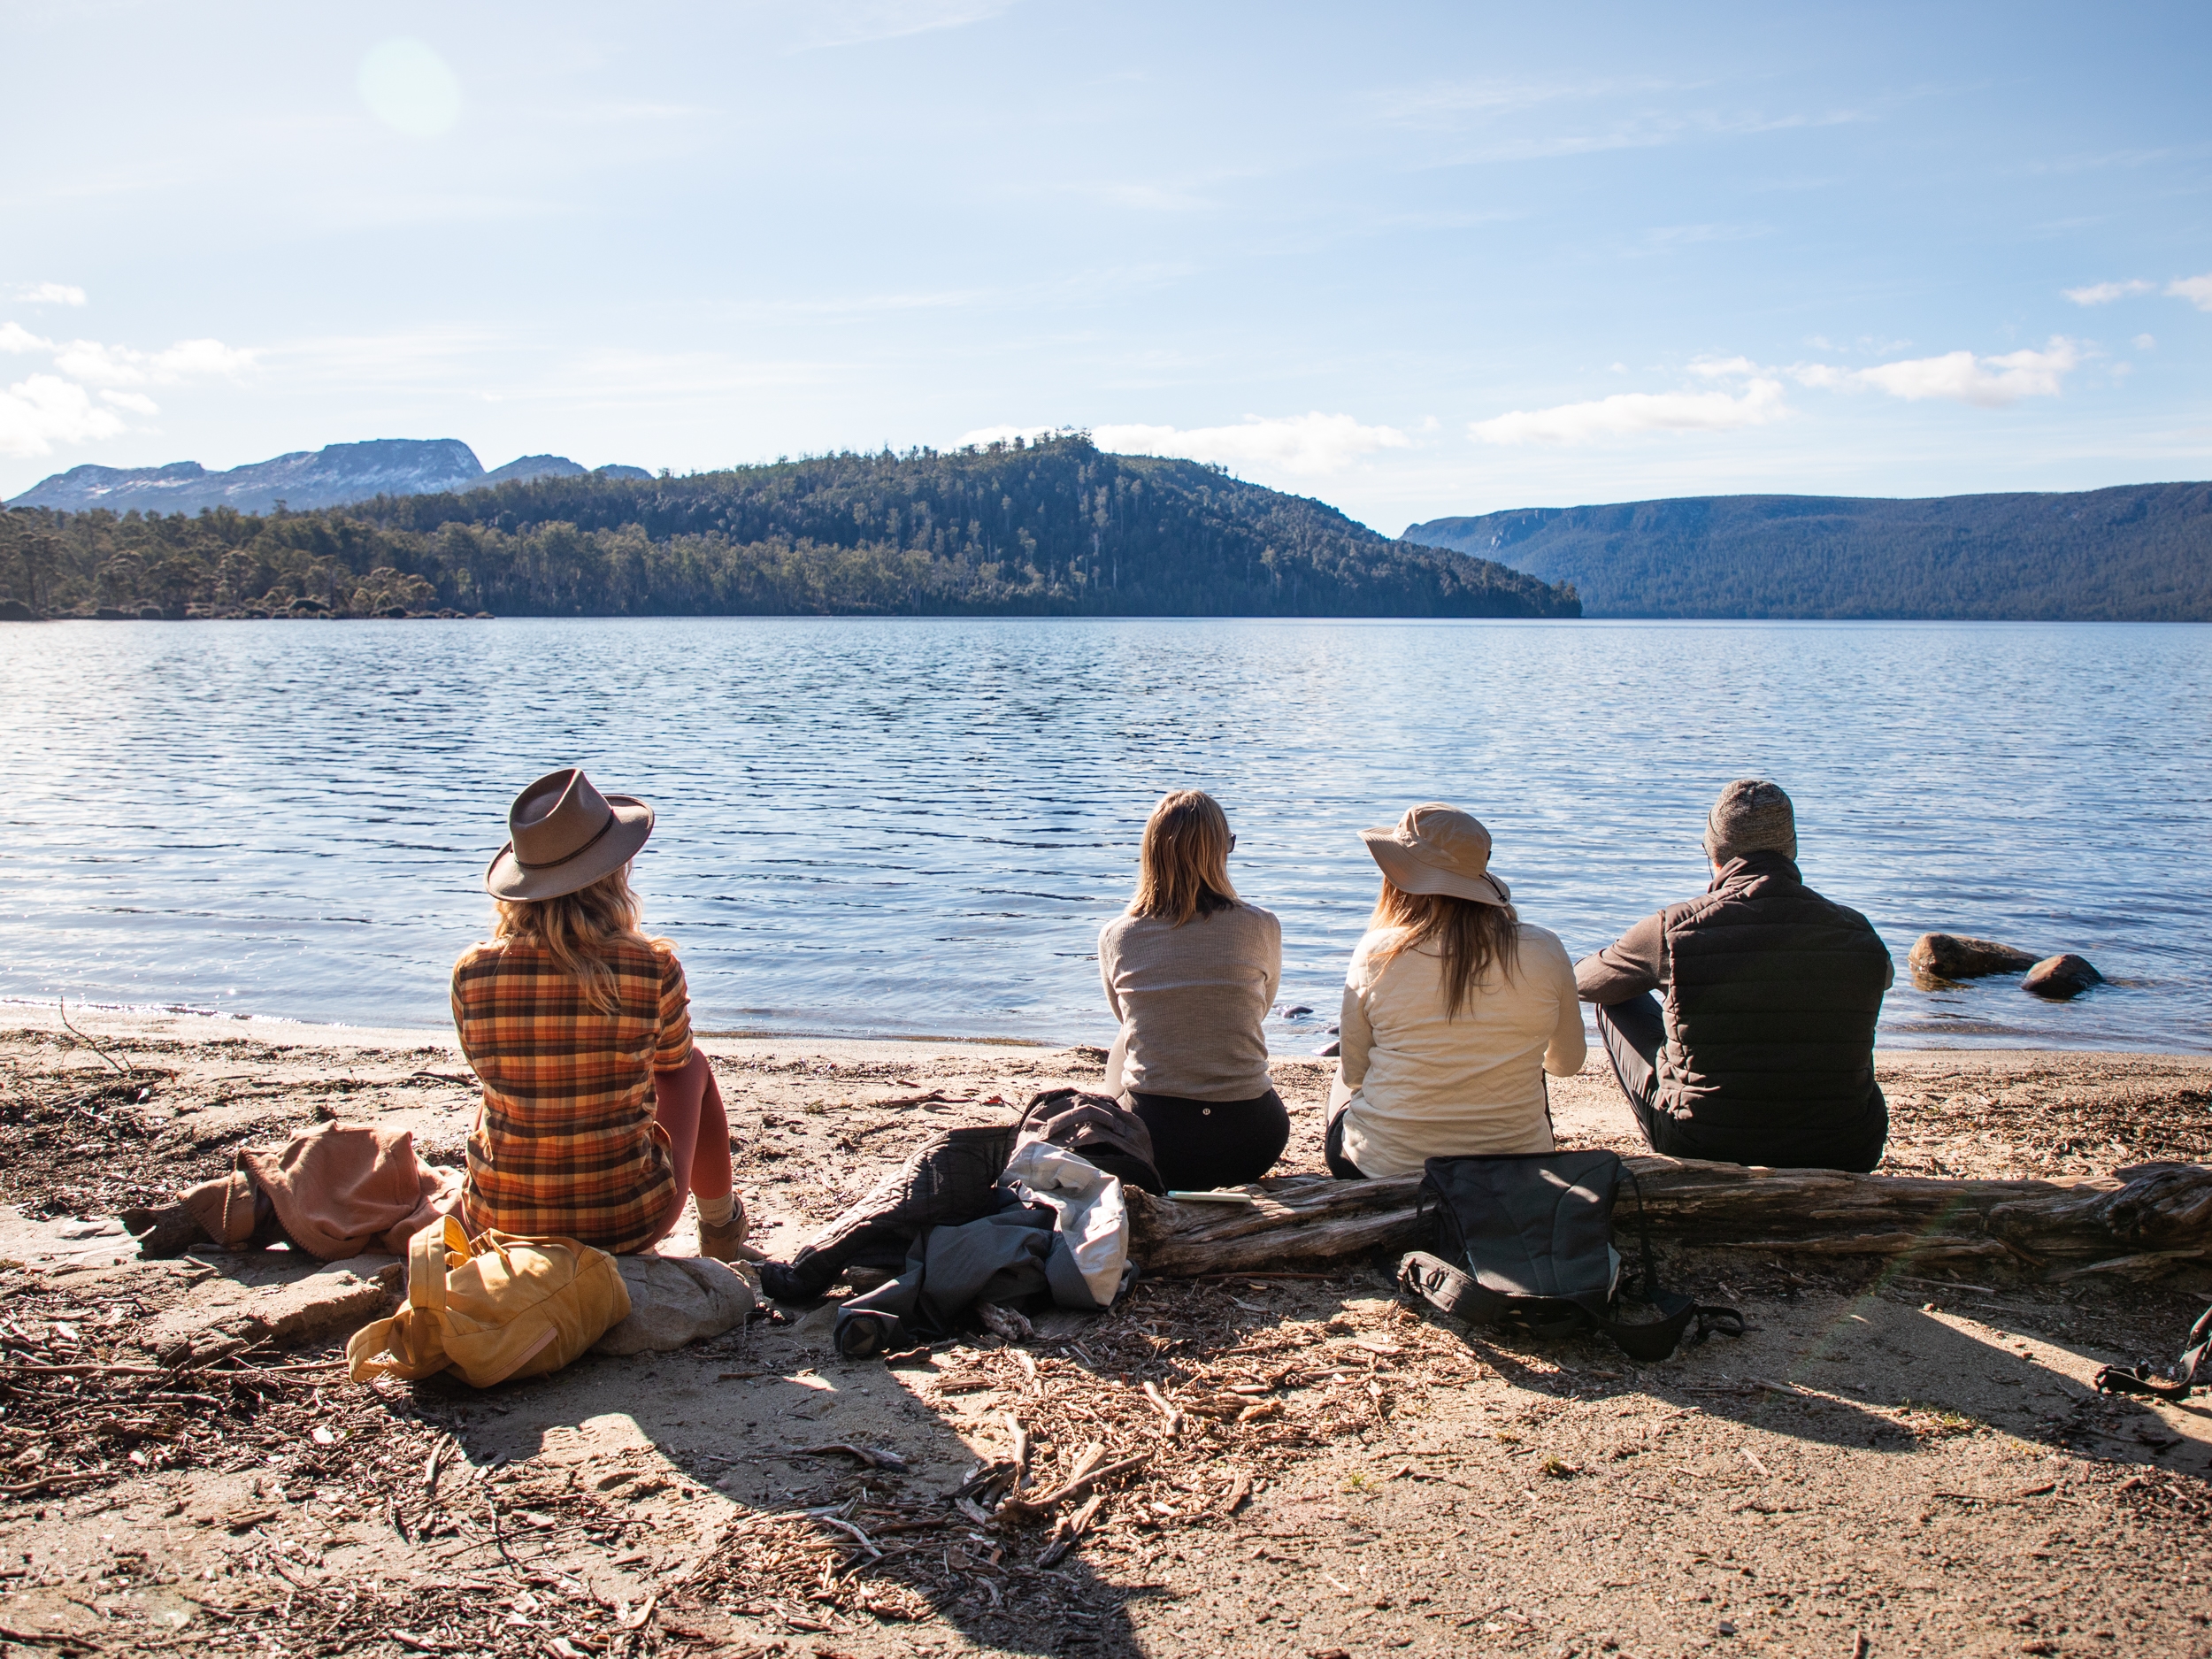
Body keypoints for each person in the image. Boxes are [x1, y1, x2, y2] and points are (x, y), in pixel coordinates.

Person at [449, 766, 750, 1258]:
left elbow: (490, 1075)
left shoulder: (473, 971)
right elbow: (672, 1066)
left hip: (499, 1221)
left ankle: (518, 1189)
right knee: (692, 1070)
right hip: (626, 1222)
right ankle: (722, 1231)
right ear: (614, 871)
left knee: (507, 1081)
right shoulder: (651, 967)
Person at [1576, 779, 1893, 1172]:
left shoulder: (1674, 927)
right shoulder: (1858, 930)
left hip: (1703, 1142)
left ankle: (1674, 1134)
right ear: (1790, 850)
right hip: (1847, 1145)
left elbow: (1583, 983)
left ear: (1713, 850)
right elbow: (1884, 979)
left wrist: (1662, 979)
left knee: (1615, 997)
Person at [1326, 803, 1586, 1179]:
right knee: (1525, 1056)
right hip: (1520, 1166)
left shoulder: (1377, 952)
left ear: (1400, 878)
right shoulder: (1545, 947)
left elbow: (1356, 1075)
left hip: (1384, 1166)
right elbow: (1567, 1063)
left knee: (1342, 1080)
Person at [1097, 789, 1287, 1190]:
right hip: (1251, 1141)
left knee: (1129, 1030)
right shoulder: (1262, 925)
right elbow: (1261, 1008)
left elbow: (1125, 1017)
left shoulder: (1117, 935)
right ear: (1220, 851)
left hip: (1156, 1143)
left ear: (1151, 853)